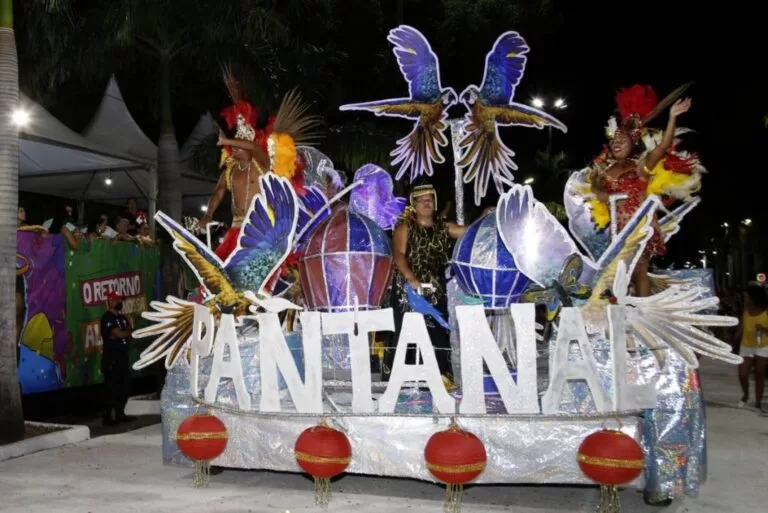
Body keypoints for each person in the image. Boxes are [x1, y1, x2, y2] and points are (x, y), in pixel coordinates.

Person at [588, 84, 700, 297]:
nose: (617, 144)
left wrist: (672, 117)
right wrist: (610, 195)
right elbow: (596, 192)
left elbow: (662, 147)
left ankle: (642, 314)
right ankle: (623, 314)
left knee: (639, 269)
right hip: (617, 231)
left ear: (633, 144)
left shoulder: (640, 167)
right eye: (614, 141)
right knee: (619, 275)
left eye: (622, 141)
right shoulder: (604, 171)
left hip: (640, 226)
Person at [390, 183, 467, 389]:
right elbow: (398, 256)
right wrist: (412, 279)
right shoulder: (405, 226)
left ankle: (441, 375)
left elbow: (467, 232)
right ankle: (407, 379)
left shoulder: (443, 227)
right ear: (414, 204)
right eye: (421, 200)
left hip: (435, 289)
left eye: (430, 199)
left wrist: (488, 219)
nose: (426, 203)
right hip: (408, 290)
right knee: (411, 333)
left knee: (438, 331)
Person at [100, 291, 135, 426]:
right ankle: (107, 418)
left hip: (123, 356)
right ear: (112, 301)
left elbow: (130, 334)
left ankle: (120, 414)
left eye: (121, 299)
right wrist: (123, 334)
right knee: (111, 388)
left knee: (124, 386)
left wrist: (124, 334)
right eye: (117, 300)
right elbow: (119, 334)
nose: (120, 302)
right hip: (111, 357)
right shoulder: (107, 318)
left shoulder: (122, 318)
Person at [733, 284, 768, 412]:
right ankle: (746, 395)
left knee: (760, 374)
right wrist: (734, 342)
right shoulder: (746, 310)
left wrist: (763, 329)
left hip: (763, 346)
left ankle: (758, 402)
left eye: (746, 297)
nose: (744, 299)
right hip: (746, 345)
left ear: (754, 298)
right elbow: (741, 327)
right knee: (742, 375)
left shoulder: (766, 312)